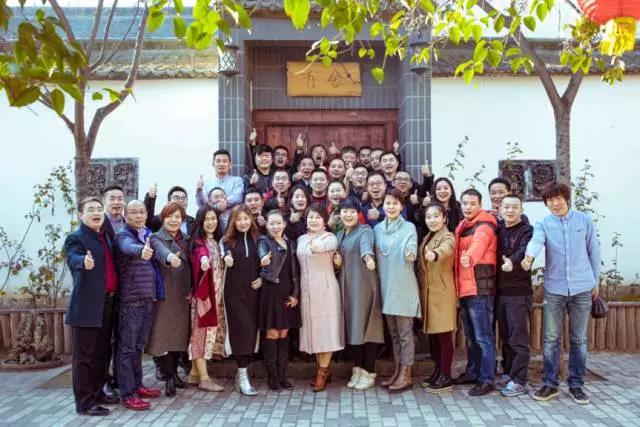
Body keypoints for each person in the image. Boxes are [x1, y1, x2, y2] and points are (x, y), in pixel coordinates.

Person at [522, 183, 600, 405]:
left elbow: (594, 250)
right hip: (554, 289)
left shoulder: (584, 220)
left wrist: (595, 280)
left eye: (558, 199)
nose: (555, 203)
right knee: (551, 339)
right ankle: (550, 384)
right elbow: (536, 241)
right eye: (550, 200)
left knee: (579, 339)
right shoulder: (544, 224)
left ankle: (576, 385)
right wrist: (529, 257)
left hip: (582, 288)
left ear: (566, 199)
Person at [64, 197, 119, 416]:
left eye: (99, 209)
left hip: (107, 304)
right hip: (86, 308)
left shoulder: (105, 236)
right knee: (84, 358)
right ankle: (85, 403)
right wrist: (82, 262)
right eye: (91, 210)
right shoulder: (76, 238)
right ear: (81, 215)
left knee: (101, 354)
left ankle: (98, 392)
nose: (96, 213)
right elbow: (72, 257)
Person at [113, 200, 164, 411]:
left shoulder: (147, 234)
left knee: (138, 347)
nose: (139, 215)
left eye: (142, 212)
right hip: (131, 302)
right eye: (133, 212)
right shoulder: (123, 235)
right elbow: (127, 247)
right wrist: (141, 250)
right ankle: (127, 394)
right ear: (125, 216)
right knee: (126, 348)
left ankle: (138, 385)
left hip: (147, 299)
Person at [335, 197, 384, 390]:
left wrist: (368, 258)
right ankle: (358, 368)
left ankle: (369, 371)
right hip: (346, 288)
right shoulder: (339, 234)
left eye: (352, 211)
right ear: (340, 214)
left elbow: (366, 247)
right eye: (344, 211)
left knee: (367, 327)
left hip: (363, 286)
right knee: (353, 328)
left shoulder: (365, 231)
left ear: (358, 214)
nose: (348, 215)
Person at [374, 189, 420, 393]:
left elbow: (412, 248)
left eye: (395, 203)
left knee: (404, 333)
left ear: (402, 206)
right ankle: (397, 370)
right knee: (393, 334)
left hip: (403, 286)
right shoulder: (377, 229)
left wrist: (410, 253)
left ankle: (406, 374)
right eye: (388, 203)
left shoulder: (409, 227)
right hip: (386, 287)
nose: (391, 207)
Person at [453, 188, 498, 396]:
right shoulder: (463, 225)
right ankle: (473, 372)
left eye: (472, 203)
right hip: (465, 288)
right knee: (471, 337)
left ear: (480, 205)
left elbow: (478, 246)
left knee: (483, 337)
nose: (468, 207)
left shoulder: (484, 225)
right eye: (465, 203)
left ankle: (487, 379)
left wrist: (469, 257)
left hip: (480, 289)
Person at [297, 205, 345, 392]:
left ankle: (322, 373)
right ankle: (323, 368)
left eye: (318, 217)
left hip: (325, 289)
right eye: (310, 217)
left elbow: (324, 247)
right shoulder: (301, 239)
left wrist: (317, 246)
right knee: (314, 331)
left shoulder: (329, 238)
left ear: (324, 221)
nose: (314, 220)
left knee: (325, 331)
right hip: (306, 291)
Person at [146, 203, 192, 398]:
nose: (174, 220)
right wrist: (170, 257)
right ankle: (168, 378)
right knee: (163, 337)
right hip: (164, 293)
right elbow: (161, 252)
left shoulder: (187, 239)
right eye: (170, 216)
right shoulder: (156, 237)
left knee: (178, 337)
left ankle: (175, 374)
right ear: (163, 218)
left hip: (182, 293)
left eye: (178, 217)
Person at [257, 210, 302, 391]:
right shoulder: (264, 241)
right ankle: (273, 377)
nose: (275, 227)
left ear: (284, 224)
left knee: (284, 334)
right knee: (272, 334)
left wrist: (295, 294)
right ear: (266, 225)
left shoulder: (291, 244)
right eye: (271, 223)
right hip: (270, 292)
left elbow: (295, 273)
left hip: (288, 292)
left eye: (278, 223)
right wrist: (263, 259)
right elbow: (262, 253)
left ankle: (283, 375)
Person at [221, 205, 263, 396]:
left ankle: (242, 373)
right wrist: (226, 258)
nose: (243, 223)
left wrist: (262, 278)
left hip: (254, 294)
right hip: (234, 294)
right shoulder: (227, 241)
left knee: (251, 331)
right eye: (239, 219)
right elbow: (225, 254)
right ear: (233, 222)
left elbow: (266, 262)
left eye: (246, 218)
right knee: (241, 331)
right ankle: (243, 375)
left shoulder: (258, 239)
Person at [495, 194, 533, 397]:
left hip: (519, 293)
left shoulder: (527, 230)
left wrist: (512, 261)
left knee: (518, 338)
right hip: (500, 292)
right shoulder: (498, 228)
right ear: (500, 209)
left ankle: (520, 380)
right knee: (506, 337)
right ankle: (509, 372)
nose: (510, 210)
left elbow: (524, 250)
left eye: (514, 207)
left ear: (521, 210)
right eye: (506, 207)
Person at [417, 202, 457, 393]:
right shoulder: (429, 236)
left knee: (444, 336)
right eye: (428, 216)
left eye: (436, 216)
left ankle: (446, 376)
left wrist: (434, 254)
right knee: (434, 336)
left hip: (441, 292)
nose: (432, 220)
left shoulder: (447, 236)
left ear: (444, 218)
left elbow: (446, 249)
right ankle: (438, 372)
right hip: (429, 293)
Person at [188, 206, 226, 392]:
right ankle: (204, 378)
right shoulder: (198, 243)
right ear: (200, 222)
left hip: (216, 296)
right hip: (205, 298)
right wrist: (203, 261)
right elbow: (201, 255)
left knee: (206, 334)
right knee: (200, 336)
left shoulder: (217, 242)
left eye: (213, 219)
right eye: (207, 219)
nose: (210, 222)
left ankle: (194, 374)